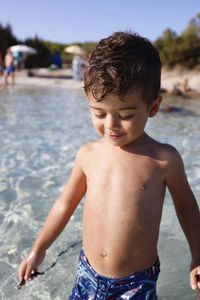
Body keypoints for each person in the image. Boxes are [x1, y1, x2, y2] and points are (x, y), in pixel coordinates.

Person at [19, 32, 200, 299]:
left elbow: (186, 206)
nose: (111, 126)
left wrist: (197, 255)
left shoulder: (164, 159)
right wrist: (39, 249)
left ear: (153, 107)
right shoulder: (87, 154)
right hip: (87, 273)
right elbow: (64, 204)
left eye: (125, 115)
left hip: (137, 283)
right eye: (99, 113)